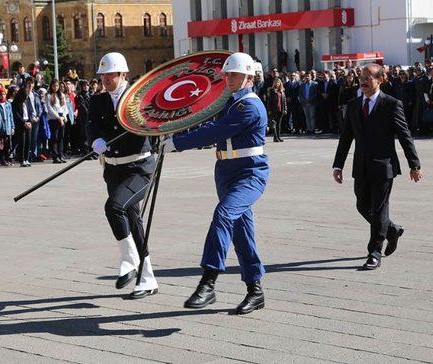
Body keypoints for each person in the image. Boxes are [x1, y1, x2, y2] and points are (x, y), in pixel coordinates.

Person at [162, 52, 269, 315]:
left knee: (223, 216)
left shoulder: (249, 106)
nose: (229, 79)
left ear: (248, 77)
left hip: (249, 172)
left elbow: (216, 131)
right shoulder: (232, 103)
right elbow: (205, 119)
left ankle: (208, 283)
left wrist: (178, 143)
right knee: (241, 232)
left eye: (234, 75)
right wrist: (173, 128)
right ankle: (255, 291)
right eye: (227, 75)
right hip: (226, 171)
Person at [333, 64, 422, 271]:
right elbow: (346, 137)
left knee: (380, 209)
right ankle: (392, 230)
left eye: (368, 78)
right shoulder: (354, 104)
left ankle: (374, 252)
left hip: (384, 166)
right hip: (361, 166)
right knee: (363, 206)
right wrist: (338, 165)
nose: (362, 81)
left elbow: (404, 135)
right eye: (361, 77)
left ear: (380, 79)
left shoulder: (391, 104)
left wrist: (414, 164)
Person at [88, 52, 158, 299]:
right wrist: (95, 139)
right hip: (113, 168)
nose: (105, 79)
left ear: (123, 74)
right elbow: (92, 125)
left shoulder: (139, 98)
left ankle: (129, 260)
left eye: (110, 75)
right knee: (132, 218)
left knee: (114, 207)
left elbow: (151, 125)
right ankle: (148, 278)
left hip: (139, 167)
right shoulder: (97, 101)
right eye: (103, 75)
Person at [46, 79, 67, 164]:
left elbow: (64, 106)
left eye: (57, 86)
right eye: (54, 85)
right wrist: (58, 117)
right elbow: (49, 108)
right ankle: (55, 156)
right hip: (54, 118)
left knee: (61, 137)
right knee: (55, 137)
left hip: (61, 117)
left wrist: (64, 116)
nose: (56, 87)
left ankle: (60, 155)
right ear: (51, 86)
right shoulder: (49, 95)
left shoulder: (61, 95)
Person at [12, 87, 32, 167]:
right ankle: (21, 159)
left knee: (28, 141)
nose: (26, 98)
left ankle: (26, 159)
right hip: (21, 124)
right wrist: (24, 123)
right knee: (22, 143)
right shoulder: (15, 103)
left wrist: (30, 121)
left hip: (28, 122)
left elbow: (29, 112)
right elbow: (16, 115)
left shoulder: (27, 102)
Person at [0, 87, 15, 166]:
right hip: (0, 127)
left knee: (8, 144)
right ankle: (2, 159)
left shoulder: (8, 104)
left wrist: (12, 127)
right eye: (1, 94)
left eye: (4, 94)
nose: (2, 96)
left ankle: (8, 158)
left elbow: (11, 116)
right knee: (1, 145)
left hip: (8, 126)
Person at [267, 78, 287, 142]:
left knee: (279, 124)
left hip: (281, 109)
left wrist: (285, 109)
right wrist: (269, 110)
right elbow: (269, 101)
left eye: (278, 82)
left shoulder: (282, 91)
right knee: (274, 123)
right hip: (274, 109)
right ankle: (275, 137)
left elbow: (284, 101)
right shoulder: (272, 91)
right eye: (276, 82)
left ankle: (279, 136)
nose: (277, 84)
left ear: (280, 83)